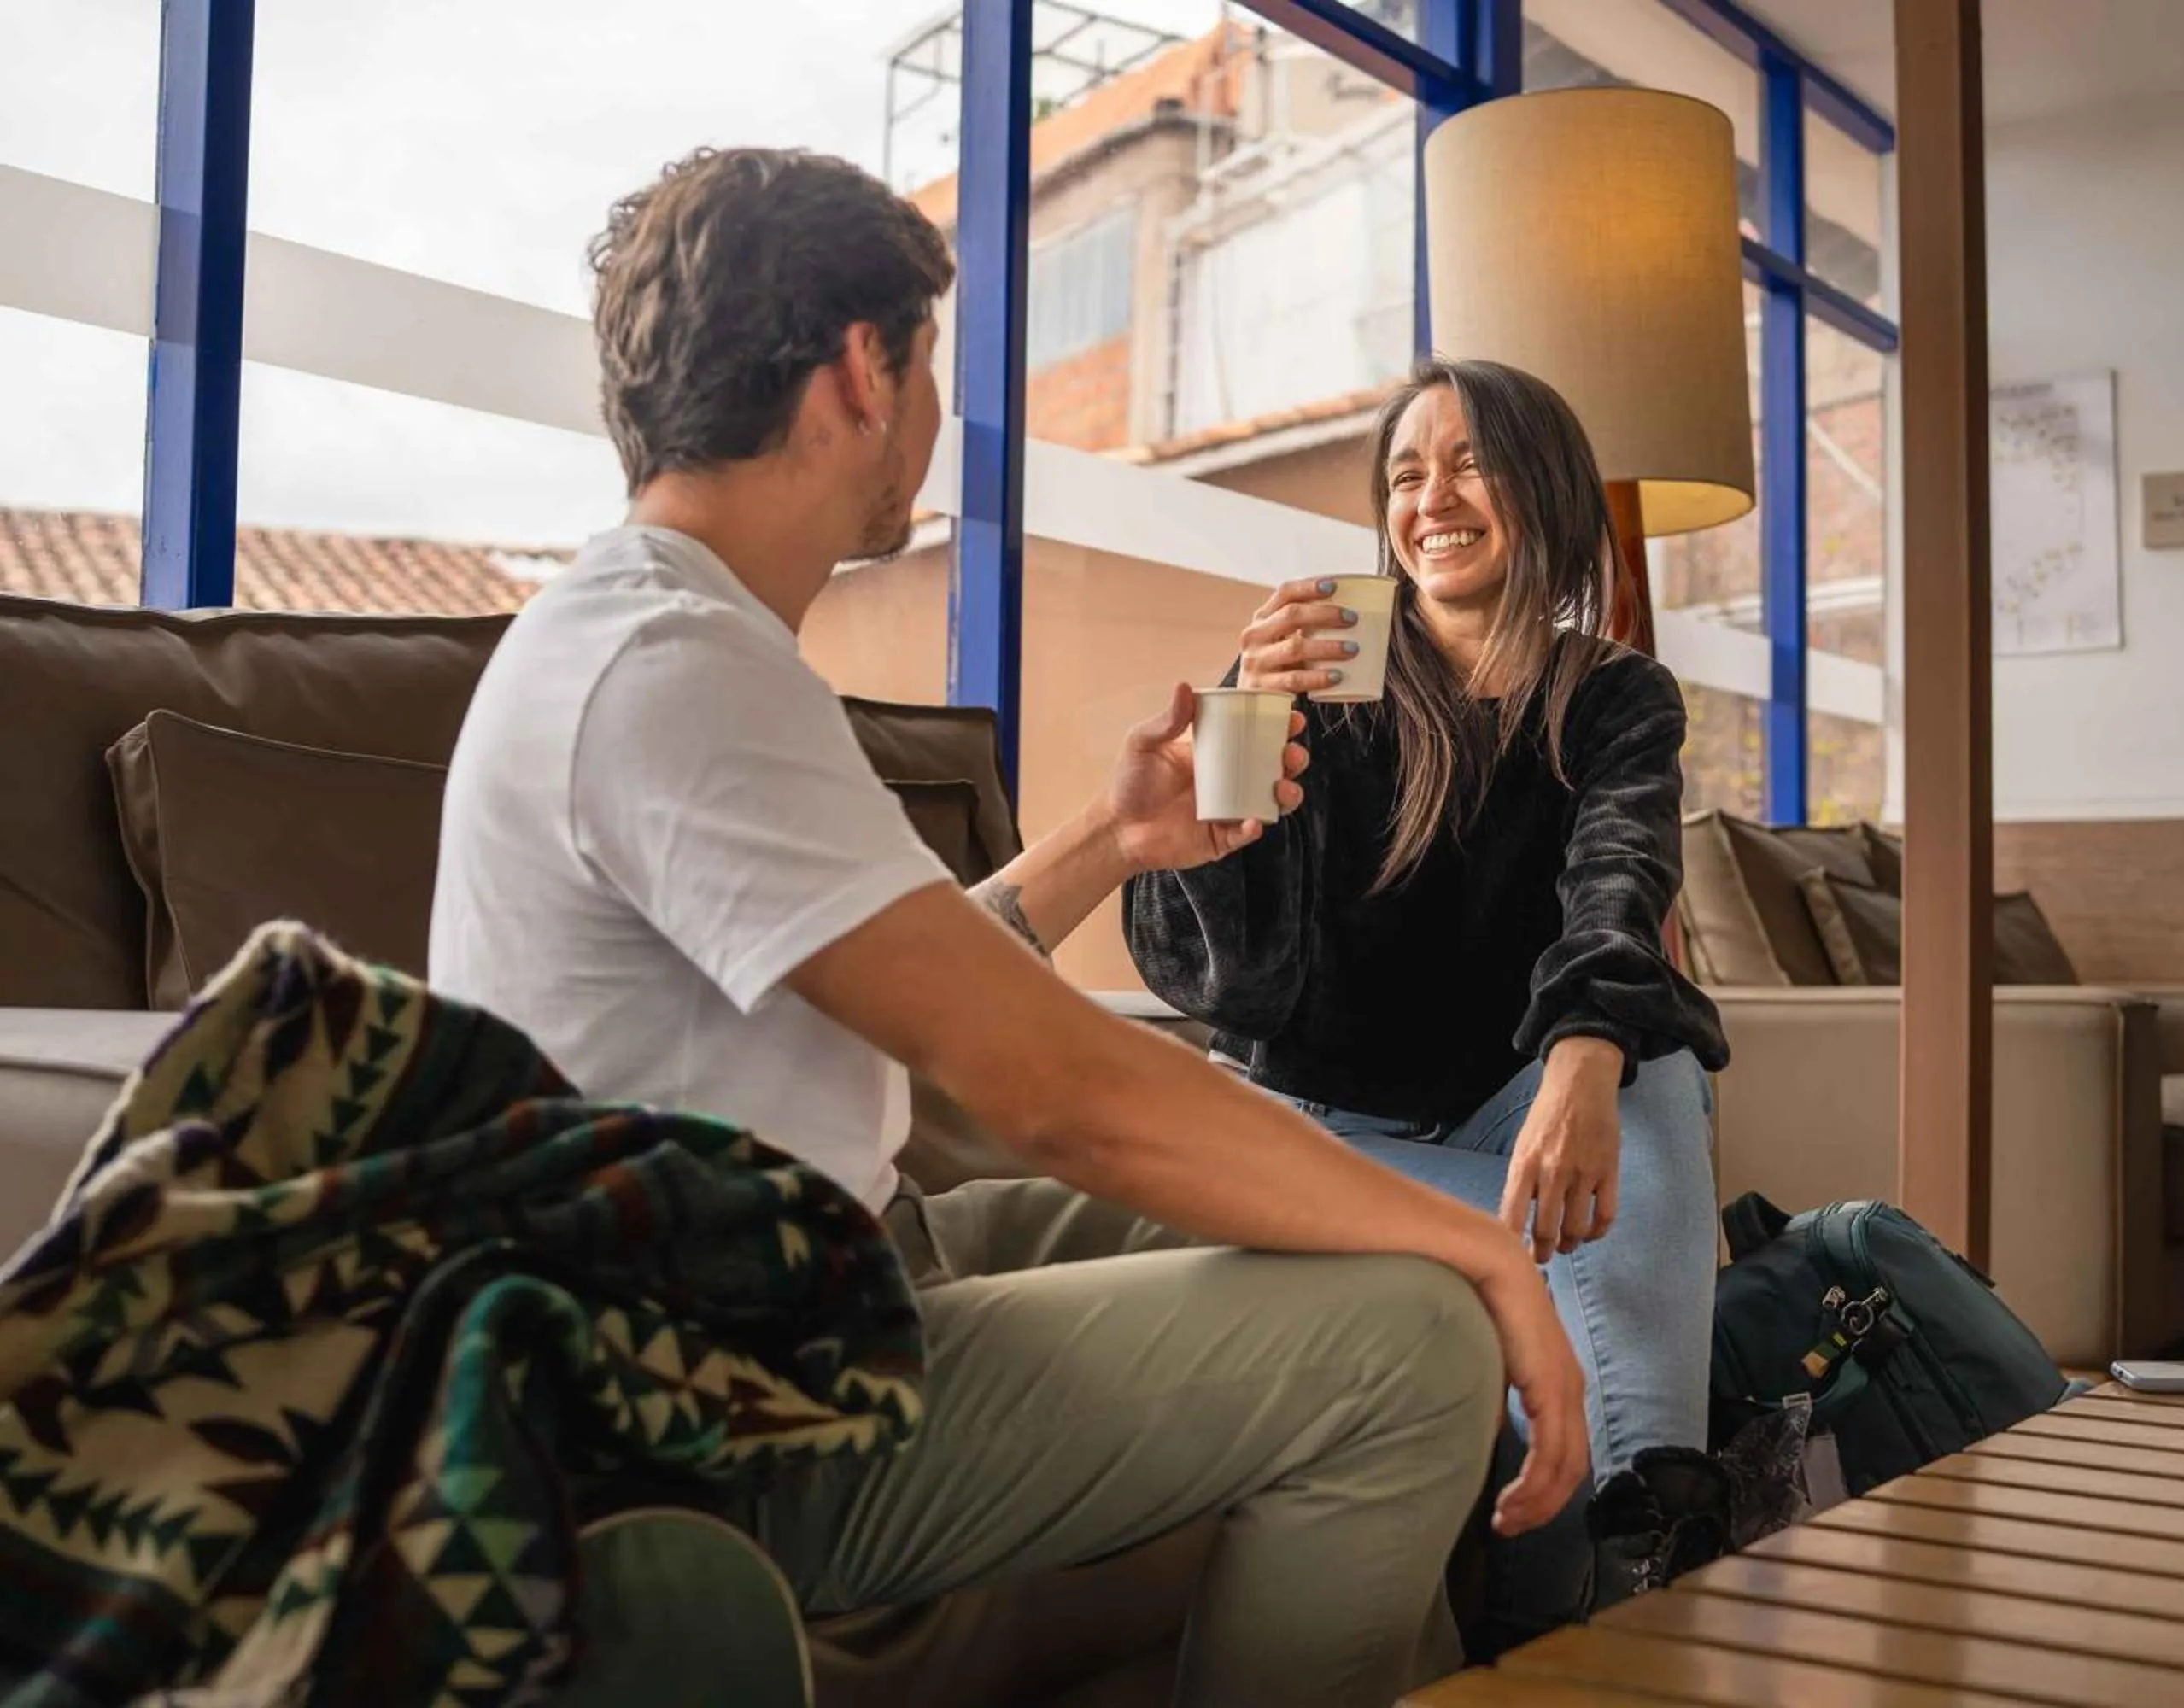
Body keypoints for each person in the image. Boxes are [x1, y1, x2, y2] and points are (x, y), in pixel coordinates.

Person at [426, 147, 1590, 1708]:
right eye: (932, 367)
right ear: (861, 369)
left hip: (832, 1263)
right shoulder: (669, 670)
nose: (934, 416)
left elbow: (897, 984)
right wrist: (1487, 1251)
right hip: (729, 1399)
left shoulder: (675, 636)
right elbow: (1058, 1092)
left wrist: (1113, 841)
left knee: (1332, 1229)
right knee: (1413, 1340)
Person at [1125, 355, 1733, 1631]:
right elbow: (1220, 976)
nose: (1433, 498)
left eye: (1469, 463)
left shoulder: (1615, 695)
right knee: (1557, 1354)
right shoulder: (1325, 682)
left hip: (1515, 1129)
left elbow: (1619, 881)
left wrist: (1583, 1059)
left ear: (1546, 488)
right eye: (1406, 474)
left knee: (1650, 1067)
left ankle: (1634, 1545)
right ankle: (1658, 1549)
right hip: (1327, 1133)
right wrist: (1242, 724)